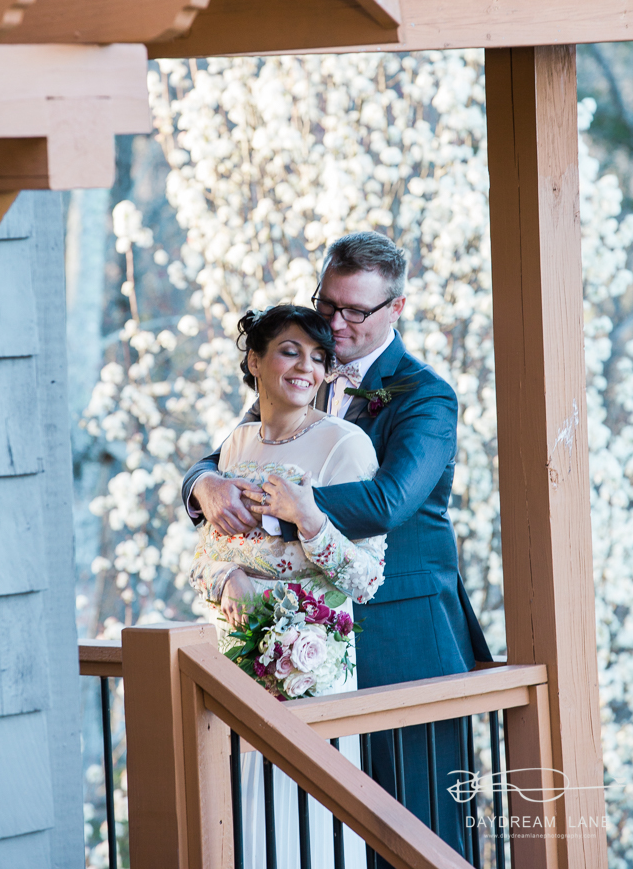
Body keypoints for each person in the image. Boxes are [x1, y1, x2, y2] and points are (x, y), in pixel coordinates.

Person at [183, 231, 492, 864]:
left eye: (355, 310)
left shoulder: (425, 395)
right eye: (326, 304)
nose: (335, 323)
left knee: (420, 829)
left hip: (404, 639)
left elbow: (388, 503)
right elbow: (235, 453)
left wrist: (274, 510)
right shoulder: (301, 372)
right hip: (301, 648)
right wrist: (203, 484)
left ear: (396, 308)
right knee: (319, 832)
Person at [188, 303, 386, 869]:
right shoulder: (235, 446)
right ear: (255, 360)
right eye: (289, 351)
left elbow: (367, 580)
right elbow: (204, 557)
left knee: (308, 824)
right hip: (236, 660)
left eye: (319, 357)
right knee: (244, 817)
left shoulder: (344, 444)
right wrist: (227, 577)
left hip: (311, 667)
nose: (306, 367)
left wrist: (310, 518)